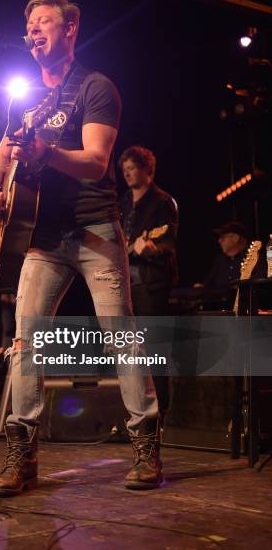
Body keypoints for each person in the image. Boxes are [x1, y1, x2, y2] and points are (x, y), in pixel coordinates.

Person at [0, 0, 162, 495]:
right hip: (43, 238)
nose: (34, 31)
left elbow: (97, 162)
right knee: (26, 342)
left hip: (96, 229)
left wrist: (46, 151)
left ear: (71, 27)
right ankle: (22, 456)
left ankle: (145, 445)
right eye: (29, 23)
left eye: (44, 22)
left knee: (120, 336)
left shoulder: (95, 87)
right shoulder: (26, 100)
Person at [118, 146, 178, 421]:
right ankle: (134, 411)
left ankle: (160, 412)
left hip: (151, 285)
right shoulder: (122, 202)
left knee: (153, 348)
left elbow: (168, 243)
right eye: (125, 169)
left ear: (147, 169)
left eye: (133, 168)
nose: (127, 173)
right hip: (124, 283)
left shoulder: (163, 202)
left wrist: (151, 248)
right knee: (128, 348)